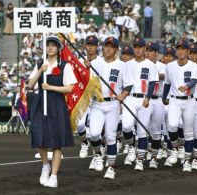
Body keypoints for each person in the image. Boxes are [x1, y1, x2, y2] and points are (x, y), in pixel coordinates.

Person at [28, 36, 77, 188]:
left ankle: (54, 176)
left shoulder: (65, 66)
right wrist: (40, 71)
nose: (50, 47)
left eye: (53, 45)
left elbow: (70, 88)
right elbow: (30, 84)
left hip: (56, 103)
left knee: (57, 141)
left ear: (58, 48)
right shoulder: (40, 64)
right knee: (38, 134)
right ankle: (45, 166)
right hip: (40, 103)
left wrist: (51, 87)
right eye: (47, 45)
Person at [87, 37, 134, 179]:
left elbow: (129, 84)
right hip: (97, 103)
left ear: (116, 50)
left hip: (113, 104)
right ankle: (98, 154)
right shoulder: (95, 63)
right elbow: (86, 81)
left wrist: (123, 94)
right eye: (106, 46)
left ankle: (111, 168)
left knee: (110, 136)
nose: (108, 48)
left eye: (111, 46)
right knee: (94, 134)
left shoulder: (122, 65)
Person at [162, 40, 197, 172]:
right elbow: (167, 83)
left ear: (188, 51)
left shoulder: (194, 66)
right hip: (174, 100)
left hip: (189, 100)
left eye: (183, 49)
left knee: (188, 132)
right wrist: (164, 97)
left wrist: (187, 86)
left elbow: (195, 80)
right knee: (172, 125)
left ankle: (187, 161)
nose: (180, 51)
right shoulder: (170, 66)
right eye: (178, 48)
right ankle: (175, 148)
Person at [121, 38, 158, 170]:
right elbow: (127, 83)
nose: (138, 49)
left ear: (144, 49)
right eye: (135, 46)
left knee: (142, 131)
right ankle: (131, 146)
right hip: (130, 98)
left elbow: (153, 82)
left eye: (140, 47)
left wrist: (148, 97)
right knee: (126, 126)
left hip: (144, 99)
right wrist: (123, 95)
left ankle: (140, 160)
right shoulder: (127, 64)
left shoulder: (150, 64)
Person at [77, 35, 100, 159]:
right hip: (84, 96)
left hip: (97, 97)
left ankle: (97, 151)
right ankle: (84, 142)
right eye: (88, 44)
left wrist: (90, 69)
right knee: (80, 125)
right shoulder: (80, 61)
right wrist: (84, 69)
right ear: (85, 46)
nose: (90, 47)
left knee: (96, 128)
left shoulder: (101, 61)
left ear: (96, 47)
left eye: (93, 45)